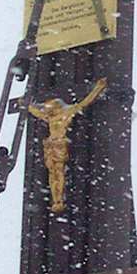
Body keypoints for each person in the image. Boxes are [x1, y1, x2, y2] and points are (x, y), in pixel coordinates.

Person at [27, 77, 108, 213]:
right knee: (53, 174)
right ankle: (56, 199)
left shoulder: (66, 113)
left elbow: (84, 103)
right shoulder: (50, 117)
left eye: (50, 106)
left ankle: (59, 200)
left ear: (56, 105)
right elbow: (36, 112)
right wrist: (27, 105)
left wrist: (98, 88)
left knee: (58, 172)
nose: (48, 108)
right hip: (50, 146)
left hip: (59, 145)